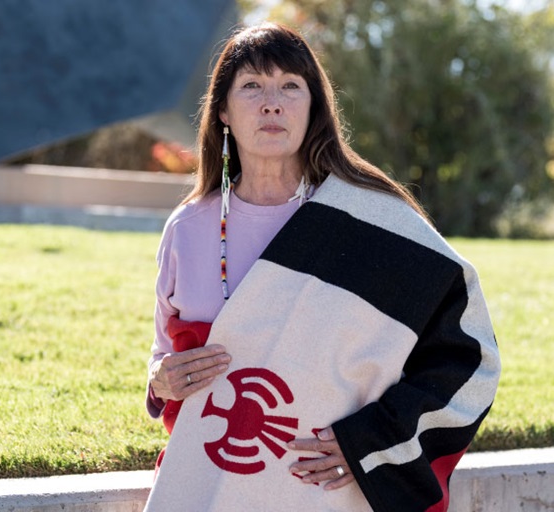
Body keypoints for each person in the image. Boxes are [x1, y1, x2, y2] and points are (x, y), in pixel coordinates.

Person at [144, 22, 500, 512]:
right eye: (251, 86)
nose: (272, 103)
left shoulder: (371, 223)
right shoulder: (187, 228)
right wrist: (162, 381)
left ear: (313, 107)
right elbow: (162, 357)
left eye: (291, 86)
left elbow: (467, 353)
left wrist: (374, 442)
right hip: (209, 484)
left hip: (329, 496)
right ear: (223, 110)